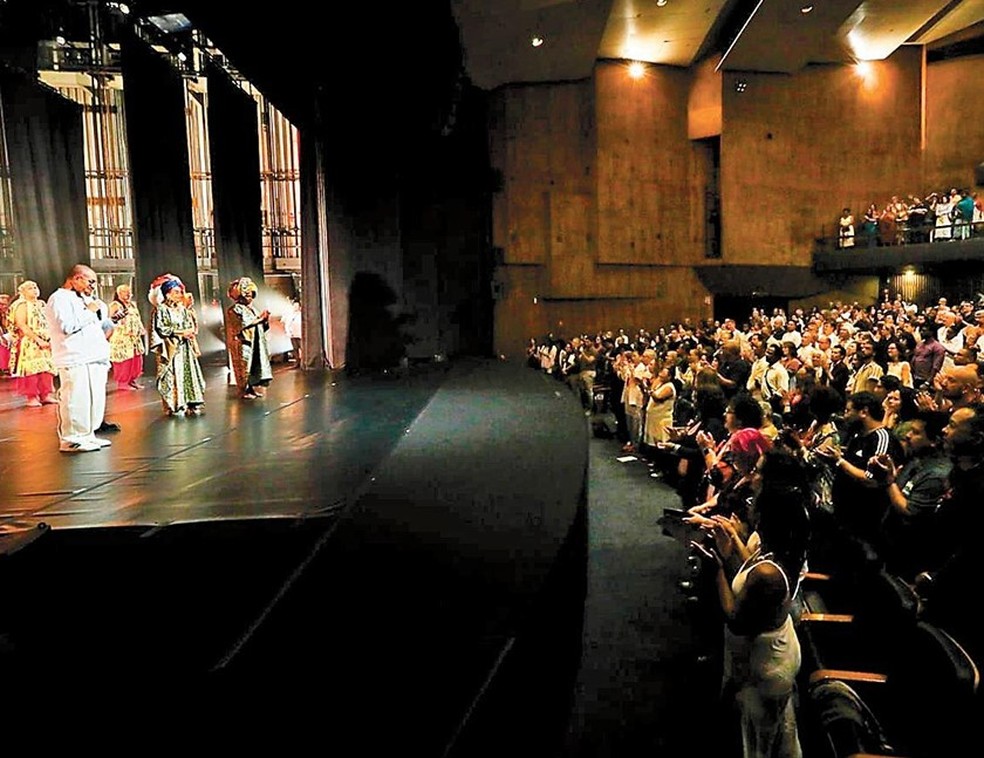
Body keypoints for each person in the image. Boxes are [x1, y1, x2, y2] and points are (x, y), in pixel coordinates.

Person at [44, 264, 115, 452]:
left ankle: (88, 435)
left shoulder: (86, 299)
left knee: (95, 399)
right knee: (76, 398)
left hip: (95, 357)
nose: (93, 286)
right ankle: (71, 438)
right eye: (90, 281)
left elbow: (97, 326)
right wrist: (89, 311)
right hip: (74, 357)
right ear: (75, 279)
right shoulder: (59, 298)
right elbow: (67, 326)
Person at [151, 277, 206, 416]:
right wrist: (180, 332)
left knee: (188, 372)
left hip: (184, 347)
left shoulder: (182, 309)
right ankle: (175, 404)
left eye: (180, 292)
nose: (179, 295)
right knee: (173, 375)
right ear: (167, 293)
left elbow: (189, 324)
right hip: (171, 348)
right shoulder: (161, 310)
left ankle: (191, 401)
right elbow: (161, 329)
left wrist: (189, 332)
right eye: (176, 292)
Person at [8, 280, 57, 407]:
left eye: (35, 287)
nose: (34, 290)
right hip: (30, 342)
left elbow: (49, 322)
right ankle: (32, 397)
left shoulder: (41, 304)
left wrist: (50, 338)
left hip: (45, 341)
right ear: (23, 291)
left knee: (46, 369)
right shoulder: (21, 305)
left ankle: (45, 395)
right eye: (30, 288)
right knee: (32, 371)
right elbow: (22, 325)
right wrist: (38, 339)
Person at [225, 276, 273, 399]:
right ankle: (243, 390)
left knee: (253, 365)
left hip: (254, 342)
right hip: (242, 342)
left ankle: (251, 388)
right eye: (247, 295)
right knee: (243, 366)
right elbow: (242, 325)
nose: (250, 298)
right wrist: (260, 319)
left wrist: (265, 320)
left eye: (251, 295)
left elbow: (258, 324)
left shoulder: (251, 309)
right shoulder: (235, 310)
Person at [108, 283, 147, 391]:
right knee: (124, 361)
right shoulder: (115, 305)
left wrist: (141, 328)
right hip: (122, 338)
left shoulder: (132, 305)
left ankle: (132, 380)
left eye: (129, 292)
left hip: (134, 338)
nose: (129, 294)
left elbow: (137, 318)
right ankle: (123, 383)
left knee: (136, 360)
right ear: (119, 293)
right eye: (126, 292)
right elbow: (110, 320)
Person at [284, 298, 303, 367]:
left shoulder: (301, 315)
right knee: (295, 349)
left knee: (302, 348)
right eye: (294, 306)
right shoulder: (290, 315)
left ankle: (303, 362)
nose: (295, 308)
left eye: (297, 306)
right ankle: (297, 362)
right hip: (293, 334)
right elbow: (287, 324)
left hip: (300, 334)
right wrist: (288, 332)